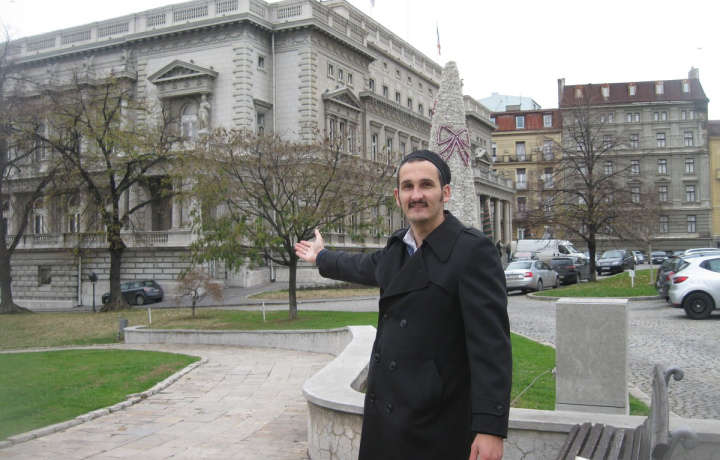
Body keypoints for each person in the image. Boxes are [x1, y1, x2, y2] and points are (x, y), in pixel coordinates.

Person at [295, 150, 511, 460]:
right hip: (386, 416)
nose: (416, 195)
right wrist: (321, 257)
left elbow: (491, 347)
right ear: (398, 197)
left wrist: (490, 428)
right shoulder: (398, 247)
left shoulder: (473, 251)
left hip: (438, 422)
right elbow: (362, 266)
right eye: (408, 187)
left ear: (445, 193)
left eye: (426, 185)